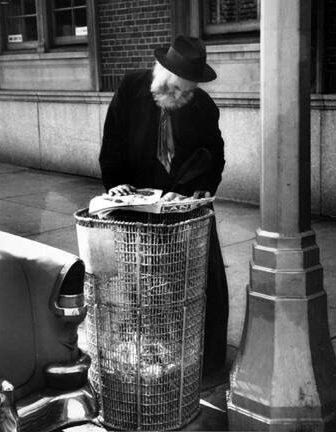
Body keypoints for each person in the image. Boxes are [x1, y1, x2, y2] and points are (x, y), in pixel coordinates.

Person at [99, 35, 229, 377]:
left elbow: (213, 157)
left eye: (186, 91)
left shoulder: (202, 106)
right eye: (174, 87)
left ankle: (201, 362)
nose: (179, 96)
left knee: (197, 285)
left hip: (182, 209)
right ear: (161, 71)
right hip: (138, 207)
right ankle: (147, 357)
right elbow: (112, 141)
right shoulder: (130, 88)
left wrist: (196, 192)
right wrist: (115, 183)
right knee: (143, 287)